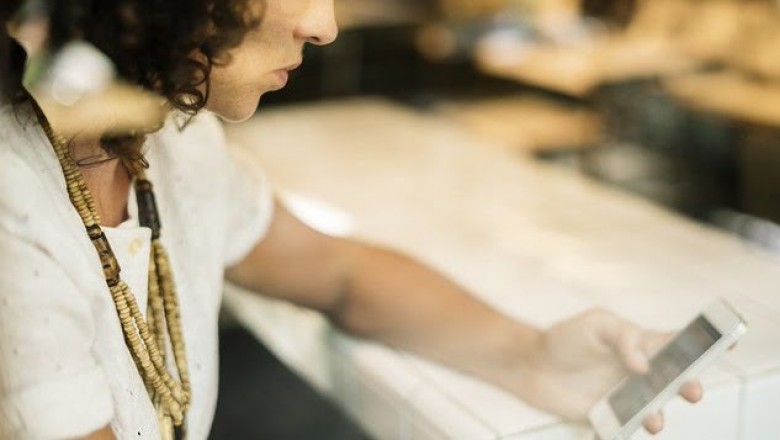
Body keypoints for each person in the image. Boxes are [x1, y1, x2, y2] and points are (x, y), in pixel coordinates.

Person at [0, 1, 702, 439]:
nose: (325, 25)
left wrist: (535, 358)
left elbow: (337, 273)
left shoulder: (178, 143)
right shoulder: (13, 208)